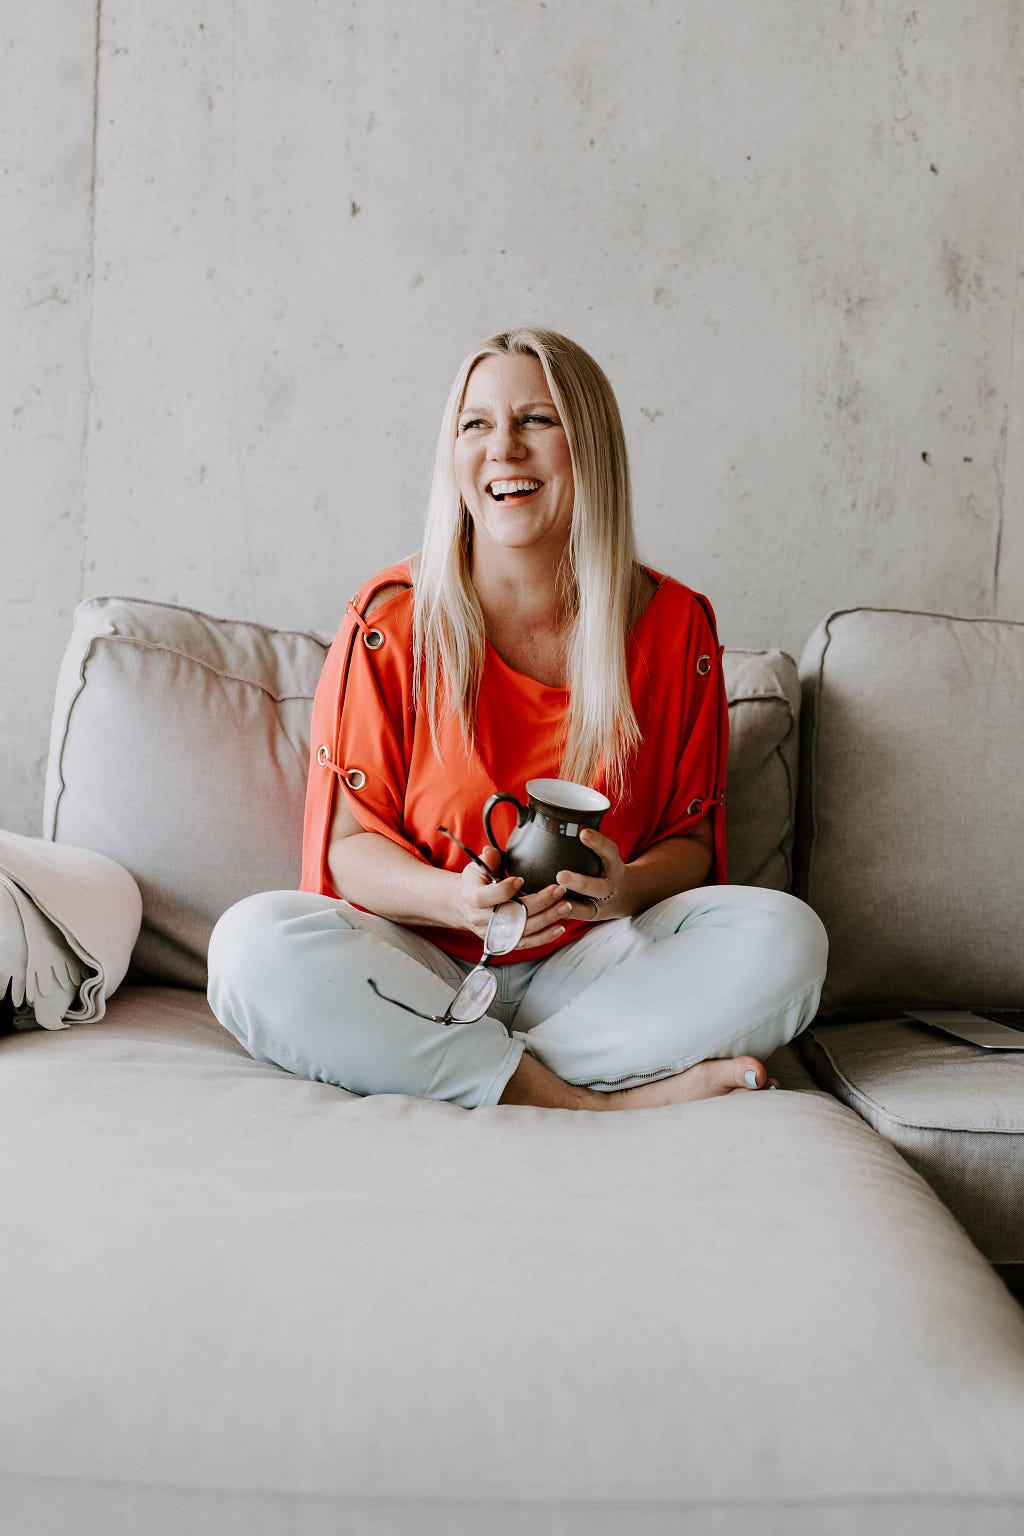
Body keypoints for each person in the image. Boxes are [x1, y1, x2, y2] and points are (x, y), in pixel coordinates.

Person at [208, 327, 827, 1110]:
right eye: (477, 423)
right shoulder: (389, 620)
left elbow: (692, 844)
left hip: (591, 972)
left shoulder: (677, 628)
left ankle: (456, 1066)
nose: (504, 447)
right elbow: (347, 851)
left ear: (590, 446)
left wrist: (620, 888)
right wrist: (456, 901)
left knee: (788, 939)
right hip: (420, 965)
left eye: (536, 419)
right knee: (252, 947)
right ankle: (582, 1099)